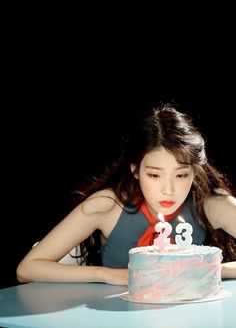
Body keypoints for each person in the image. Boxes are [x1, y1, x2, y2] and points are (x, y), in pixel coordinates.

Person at [16, 104, 236, 286]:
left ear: (194, 172)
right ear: (135, 170)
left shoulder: (211, 205)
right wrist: (104, 274)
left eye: (181, 175)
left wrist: (215, 268)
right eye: (154, 175)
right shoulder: (108, 206)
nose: (168, 189)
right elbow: (27, 268)